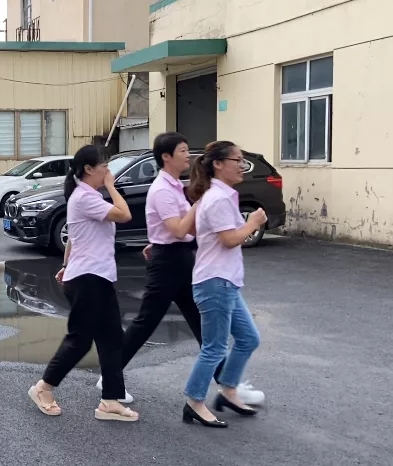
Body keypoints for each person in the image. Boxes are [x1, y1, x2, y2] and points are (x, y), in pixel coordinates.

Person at [102, 132, 264, 406]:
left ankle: (228, 385)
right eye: (182, 151)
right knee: (146, 322)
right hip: (168, 262)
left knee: (203, 325)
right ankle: (111, 377)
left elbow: (186, 230)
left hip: (180, 257)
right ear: (166, 157)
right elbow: (178, 229)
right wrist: (199, 206)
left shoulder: (176, 186)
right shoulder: (162, 189)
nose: (188, 155)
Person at [27, 144, 139, 422]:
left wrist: (66, 266)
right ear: (88, 169)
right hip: (89, 278)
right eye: (105, 166)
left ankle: (110, 401)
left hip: (96, 276)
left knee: (112, 338)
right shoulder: (85, 197)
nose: (109, 171)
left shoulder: (86, 196)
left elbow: (76, 237)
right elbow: (125, 214)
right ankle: (43, 388)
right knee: (80, 339)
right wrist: (112, 187)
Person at [182, 141, 265, 428]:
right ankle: (194, 401)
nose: (242, 165)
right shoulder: (217, 198)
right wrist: (253, 222)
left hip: (225, 281)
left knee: (248, 338)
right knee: (215, 348)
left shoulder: (221, 195)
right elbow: (229, 239)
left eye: (243, 160)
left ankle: (229, 390)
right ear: (218, 164)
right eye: (237, 160)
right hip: (215, 282)